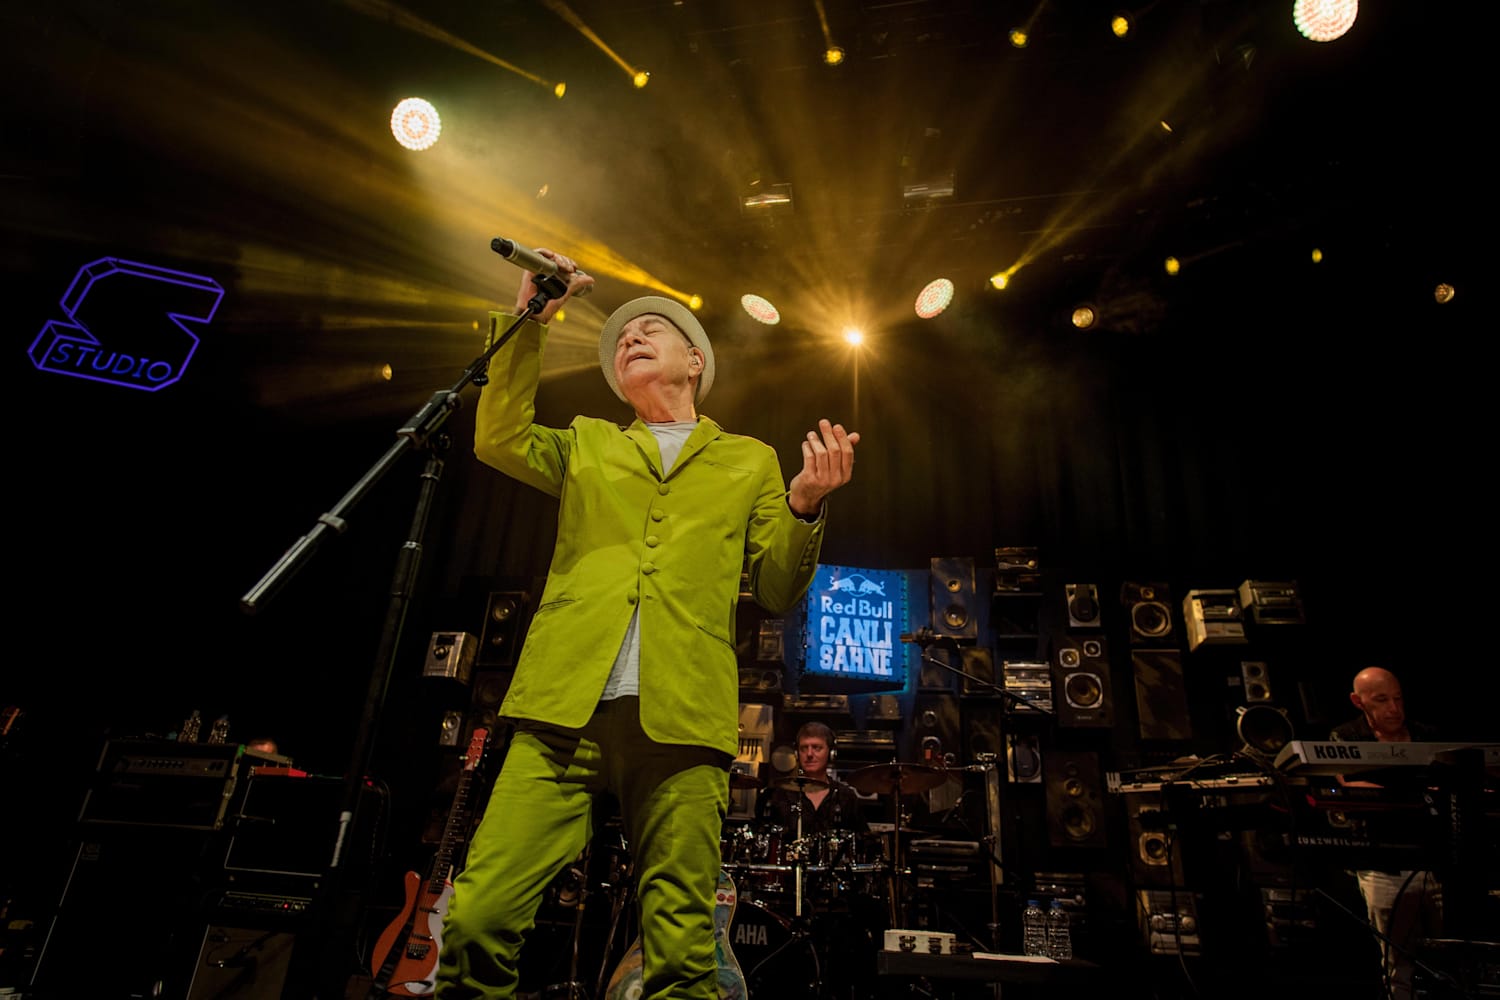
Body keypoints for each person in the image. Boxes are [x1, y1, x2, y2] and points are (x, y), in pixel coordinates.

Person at [436, 249, 860, 999]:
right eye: (621, 340)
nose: (629, 337)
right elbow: (498, 438)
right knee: (475, 919)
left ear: (695, 361)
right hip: (560, 714)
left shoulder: (749, 461)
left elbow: (775, 587)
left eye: (650, 330)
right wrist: (532, 320)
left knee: (683, 954)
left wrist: (803, 506)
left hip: (682, 724)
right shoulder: (590, 442)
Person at [1330, 666, 1442, 1000]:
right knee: (1398, 964)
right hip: (1383, 864)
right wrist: (1415, 795)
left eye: (1398, 699)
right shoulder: (1347, 737)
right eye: (1381, 700)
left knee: (1452, 957)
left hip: (1438, 861)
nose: (1394, 708)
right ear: (1358, 701)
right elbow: (1349, 785)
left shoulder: (1425, 735)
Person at [758, 721, 868, 838]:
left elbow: (862, 839)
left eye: (816, 748)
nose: (809, 754)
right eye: (804, 748)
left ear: (831, 753)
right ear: (796, 754)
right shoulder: (778, 795)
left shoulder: (845, 797)